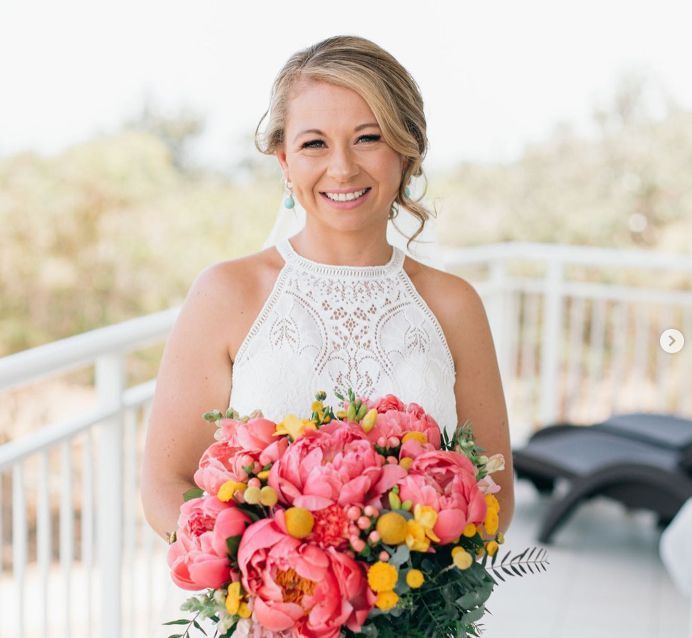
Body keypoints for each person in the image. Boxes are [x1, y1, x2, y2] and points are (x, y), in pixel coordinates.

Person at [141, 34, 514, 629]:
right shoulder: (227, 295)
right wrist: (269, 587)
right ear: (284, 160)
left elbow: (493, 493)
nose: (342, 167)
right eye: (315, 143)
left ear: (406, 152)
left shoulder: (455, 305)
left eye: (368, 137)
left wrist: (399, 606)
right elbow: (167, 481)